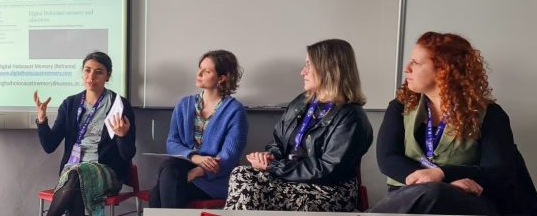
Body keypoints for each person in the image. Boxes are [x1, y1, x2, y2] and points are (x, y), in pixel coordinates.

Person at [371, 32, 531, 214]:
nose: (407, 68)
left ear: (442, 70)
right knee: (431, 191)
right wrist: (441, 182)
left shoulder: (490, 115)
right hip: (407, 197)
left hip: (469, 201)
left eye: (416, 62)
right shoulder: (399, 107)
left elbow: (498, 172)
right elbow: (387, 159)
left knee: (435, 192)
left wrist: (443, 174)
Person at [225, 39, 373, 211]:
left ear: (329, 69)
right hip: (288, 176)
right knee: (241, 174)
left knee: (248, 185)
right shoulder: (302, 102)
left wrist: (273, 167)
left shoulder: (351, 117)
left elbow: (328, 170)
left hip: (329, 190)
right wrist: (269, 156)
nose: (303, 72)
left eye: (309, 65)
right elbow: (278, 143)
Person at [34, 51, 136, 216]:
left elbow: (128, 153)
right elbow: (49, 146)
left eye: (98, 72)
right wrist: (41, 120)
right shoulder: (70, 104)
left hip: (106, 171)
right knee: (76, 179)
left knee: (77, 175)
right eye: (87, 70)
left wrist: (122, 136)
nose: (91, 76)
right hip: (70, 171)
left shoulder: (119, 105)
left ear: (107, 76)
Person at [149, 50, 248, 207]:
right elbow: (172, 143)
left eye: (207, 71)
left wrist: (200, 171)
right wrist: (194, 157)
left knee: (159, 192)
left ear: (222, 78)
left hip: (215, 178)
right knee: (169, 173)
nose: (199, 73)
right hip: (182, 169)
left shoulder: (235, 111)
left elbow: (229, 155)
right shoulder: (184, 104)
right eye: (200, 68)